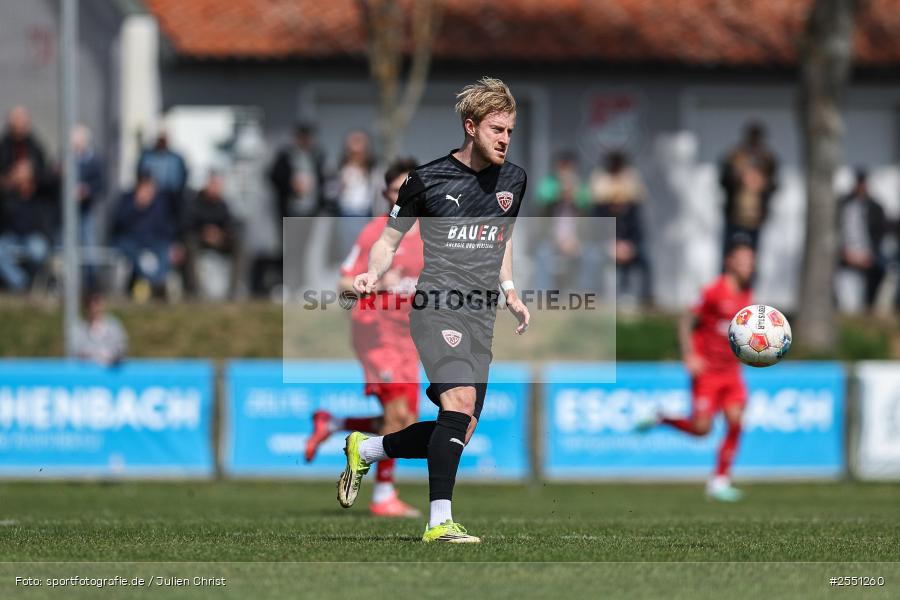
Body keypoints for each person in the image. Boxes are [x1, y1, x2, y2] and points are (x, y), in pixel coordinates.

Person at [338, 77, 530, 543]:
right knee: (459, 406)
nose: (505, 139)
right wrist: (370, 273)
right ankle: (439, 522)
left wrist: (509, 289)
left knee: (458, 431)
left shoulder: (514, 180)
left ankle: (368, 449)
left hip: (480, 315)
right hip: (436, 307)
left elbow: (500, 240)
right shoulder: (425, 180)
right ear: (471, 126)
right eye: (497, 130)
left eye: (510, 131)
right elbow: (388, 240)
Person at [305, 158, 423, 518]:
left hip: (410, 339)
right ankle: (383, 496)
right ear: (386, 194)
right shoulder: (376, 233)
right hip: (376, 334)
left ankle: (335, 424)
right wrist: (371, 282)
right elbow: (342, 284)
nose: (404, 196)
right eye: (396, 189)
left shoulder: (431, 234)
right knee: (397, 414)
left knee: (406, 423)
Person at [637, 236, 755, 501]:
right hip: (708, 371)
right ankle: (661, 418)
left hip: (732, 372)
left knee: (736, 421)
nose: (749, 266)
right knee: (702, 429)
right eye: (744, 260)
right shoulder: (713, 291)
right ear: (730, 262)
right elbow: (686, 321)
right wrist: (690, 355)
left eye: (751, 261)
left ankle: (720, 480)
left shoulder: (747, 294)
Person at [591, 150, 649, 306]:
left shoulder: (631, 212)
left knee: (644, 258)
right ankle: (595, 296)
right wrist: (611, 246)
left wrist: (629, 247)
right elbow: (598, 233)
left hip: (626, 246)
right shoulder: (600, 211)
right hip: (607, 246)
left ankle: (645, 299)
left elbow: (637, 233)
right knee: (593, 257)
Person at [111, 172, 177, 300]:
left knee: (164, 251)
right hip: (130, 241)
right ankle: (151, 285)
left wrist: (173, 243)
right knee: (138, 257)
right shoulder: (127, 200)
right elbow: (119, 223)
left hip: (153, 242)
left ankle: (157, 283)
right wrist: (137, 206)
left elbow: (166, 227)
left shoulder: (159, 203)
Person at [719, 122, 778, 256]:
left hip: (756, 217)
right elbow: (723, 180)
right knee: (731, 253)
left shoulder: (767, 159)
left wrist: (763, 184)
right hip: (735, 215)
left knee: (751, 256)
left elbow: (774, 184)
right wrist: (739, 179)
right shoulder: (735, 156)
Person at [533, 151, 590, 291]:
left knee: (591, 255)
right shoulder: (549, 184)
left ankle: (584, 294)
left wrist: (574, 196)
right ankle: (545, 295)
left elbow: (587, 203)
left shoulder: (580, 188)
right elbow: (542, 198)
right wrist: (559, 193)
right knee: (543, 254)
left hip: (576, 240)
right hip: (551, 239)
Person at [835, 169, 887, 313]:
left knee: (881, 269)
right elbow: (838, 233)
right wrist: (846, 254)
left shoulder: (875, 207)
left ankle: (869, 306)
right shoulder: (844, 205)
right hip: (846, 253)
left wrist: (868, 255)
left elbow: (878, 234)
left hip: (868, 254)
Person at [183, 172, 239, 299]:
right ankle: (195, 290)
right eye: (214, 184)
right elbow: (187, 226)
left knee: (239, 245)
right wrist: (204, 233)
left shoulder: (222, 205)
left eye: (219, 185)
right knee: (190, 243)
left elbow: (230, 226)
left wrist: (221, 235)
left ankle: (233, 291)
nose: (216, 188)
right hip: (199, 240)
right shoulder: (195, 202)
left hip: (219, 241)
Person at [0, 159, 51, 291]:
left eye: (23, 174)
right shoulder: (9, 195)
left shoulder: (40, 193)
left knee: (38, 252)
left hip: (34, 235)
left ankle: (30, 281)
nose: (20, 177)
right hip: (12, 236)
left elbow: (51, 180)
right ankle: (21, 283)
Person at [334, 130, 380, 260]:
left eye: (359, 141)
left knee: (365, 250)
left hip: (365, 214)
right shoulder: (342, 167)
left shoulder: (373, 168)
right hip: (346, 214)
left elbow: (378, 192)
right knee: (348, 252)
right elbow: (332, 191)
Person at [72, 290, 128, 366]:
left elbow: (121, 348)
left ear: (103, 304)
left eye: (96, 302)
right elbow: (76, 350)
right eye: (89, 303)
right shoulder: (79, 327)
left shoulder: (114, 325)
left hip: (111, 372)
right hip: (87, 372)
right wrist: (95, 356)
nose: (93, 307)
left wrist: (109, 357)